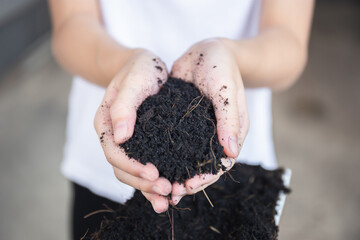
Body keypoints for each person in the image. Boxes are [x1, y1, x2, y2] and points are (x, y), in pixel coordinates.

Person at [48, 0, 314, 239]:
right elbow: (71, 24)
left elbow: (288, 40)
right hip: (109, 163)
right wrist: (124, 63)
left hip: (233, 178)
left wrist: (230, 55)